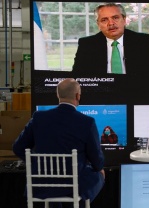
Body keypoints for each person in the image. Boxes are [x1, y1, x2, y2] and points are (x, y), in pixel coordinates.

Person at [13, 78, 105, 208]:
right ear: (78, 96)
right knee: (99, 174)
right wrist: (98, 169)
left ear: (58, 95)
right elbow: (97, 160)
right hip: (73, 187)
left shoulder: (38, 118)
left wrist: (37, 162)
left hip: (41, 185)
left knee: (55, 188)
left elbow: (18, 147)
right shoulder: (87, 122)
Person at [72, 3, 149, 77]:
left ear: (124, 20)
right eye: (104, 20)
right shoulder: (87, 45)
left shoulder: (143, 41)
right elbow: (78, 77)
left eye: (115, 18)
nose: (111, 23)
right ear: (98, 24)